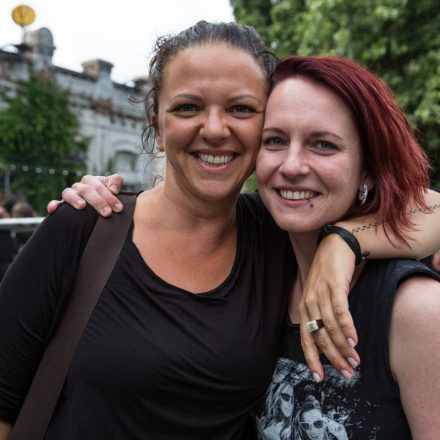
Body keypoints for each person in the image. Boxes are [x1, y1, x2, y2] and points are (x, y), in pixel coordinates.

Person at [3, 20, 438, 439]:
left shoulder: (278, 234)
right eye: (188, 107)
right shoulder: (87, 226)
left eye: (241, 109)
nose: (214, 129)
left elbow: (430, 208)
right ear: (157, 124)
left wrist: (343, 244)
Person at [254, 55, 440, 438]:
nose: (291, 165)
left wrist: (345, 241)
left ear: (368, 169)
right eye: (274, 140)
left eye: (323, 145)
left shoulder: (418, 310)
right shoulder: (255, 257)